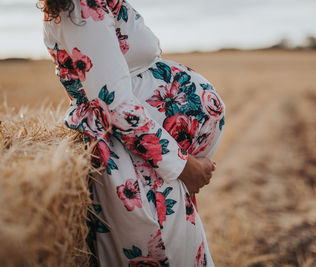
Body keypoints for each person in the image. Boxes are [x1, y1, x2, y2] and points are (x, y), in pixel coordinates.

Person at [40, 0, 225, 266]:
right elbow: (112, 102)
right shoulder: (81, 5)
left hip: (150, 161)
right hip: (136, 161)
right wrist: (183, 166)